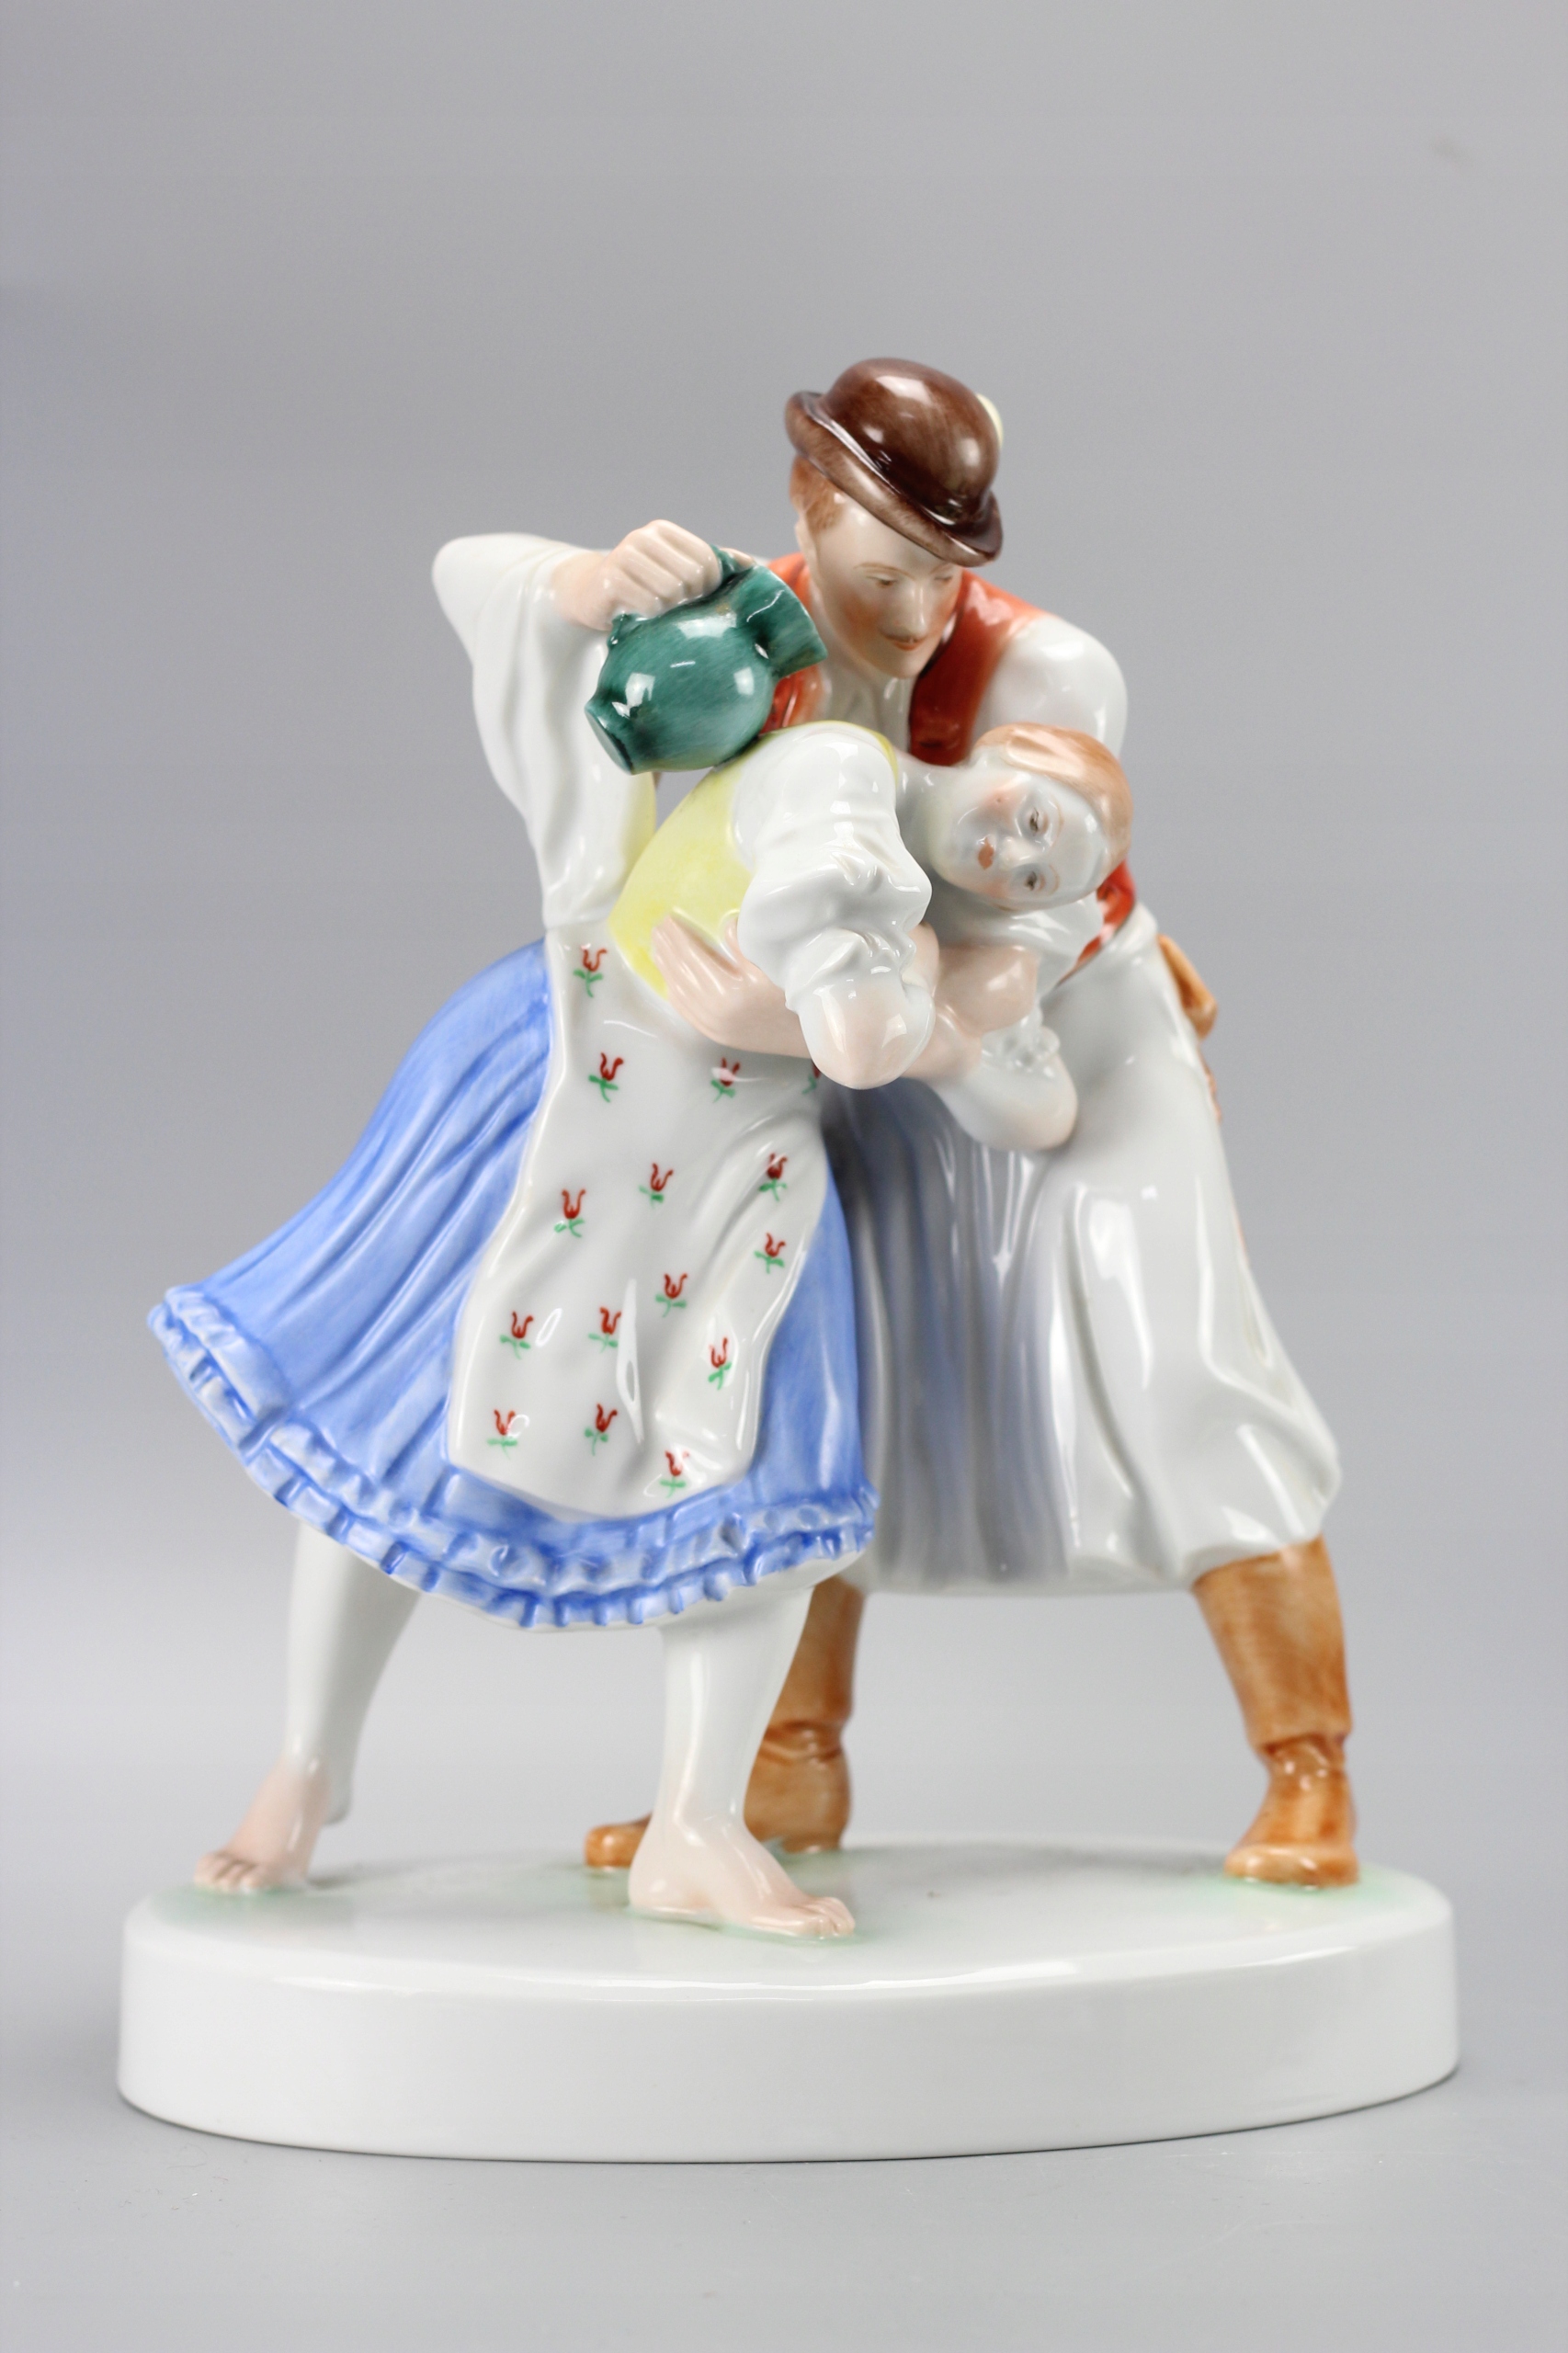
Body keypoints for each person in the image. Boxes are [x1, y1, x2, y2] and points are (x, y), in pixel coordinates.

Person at [154, 507, 1123, 1930]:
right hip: (578, 1064)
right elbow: (476, 577)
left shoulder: (956, 923)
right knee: (397, 1412)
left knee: (757, 1480)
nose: (1017, 853)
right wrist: (592, 585)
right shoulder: (824, 748)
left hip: (743, 1164)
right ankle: (308, 1761)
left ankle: (696, 1820)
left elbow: (1017, 1098)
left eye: (1044, 869)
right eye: (1029, 812)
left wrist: (909, 1025)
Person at [586, 358, 1357, 1889]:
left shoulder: (1048, 668)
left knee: (1179, 1368)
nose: (920, 610)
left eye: (946, 572)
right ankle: (782, 1765)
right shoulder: (747, 629)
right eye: (887, 573)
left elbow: (1027, 938)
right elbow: (611, 760)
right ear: (806, 513)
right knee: (816, 1373)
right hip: (851, 1032)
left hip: (1060, 1024)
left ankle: (1306, 1767)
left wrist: (835, 1020)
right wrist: (594, 593)